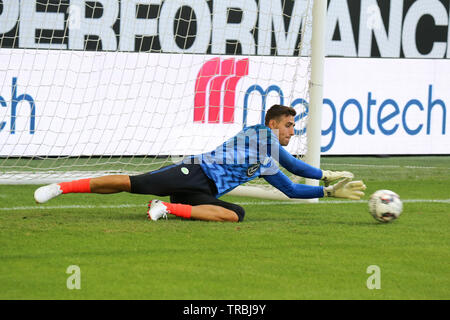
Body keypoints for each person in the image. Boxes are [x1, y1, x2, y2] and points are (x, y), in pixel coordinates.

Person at [34, 105, 366, 222]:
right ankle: (60, 187)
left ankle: (165, 209)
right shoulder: (259, 133)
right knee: (129, 183)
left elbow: (292, 190)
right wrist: (323, 174)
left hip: (205, 189)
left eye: (294, 127)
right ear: (273, 123)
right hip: (193, 171)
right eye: (289, 125)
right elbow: (296, 169)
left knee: (236, 214)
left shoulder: (265, 159)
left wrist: (329, 193)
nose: (292, 132)